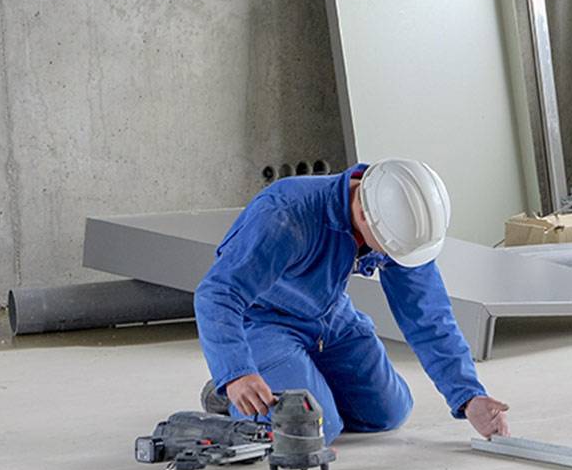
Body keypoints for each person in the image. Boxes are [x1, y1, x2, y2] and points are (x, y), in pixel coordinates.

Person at [193, 159, 510, 446]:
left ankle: (299, 380)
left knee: (390, 412)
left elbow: (428, 316)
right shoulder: (286, 215)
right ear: (362, 214)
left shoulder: (400, 224)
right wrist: (236, 372)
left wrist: (469, 395)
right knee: (313, 428)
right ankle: (235, 391)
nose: (391, 257)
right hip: (263, 322)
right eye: (389, 249)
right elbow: (218, 294)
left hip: (329, 315)